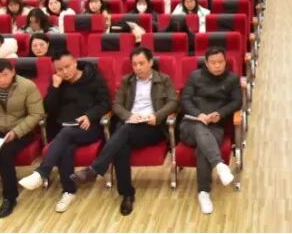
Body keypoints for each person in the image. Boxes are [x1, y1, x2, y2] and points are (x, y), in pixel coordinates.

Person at [71, 46, 179, 215]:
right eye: (134, 64)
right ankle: (127, 194)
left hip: (153, 127)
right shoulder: (126, 81)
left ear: (150, 62)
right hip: (131, 124)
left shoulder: (164, 80)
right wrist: (129, 116)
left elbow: (173, 102)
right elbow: (116, 105)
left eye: (141, 63)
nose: (138, 67)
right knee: (121, 146)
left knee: (123, 133)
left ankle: (95, 169)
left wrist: (157, 116)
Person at [19, 51, 110, 213]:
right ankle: (69, 191)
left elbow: (105, 103)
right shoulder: (58, 81)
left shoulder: (93, 77)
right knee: (66, 148)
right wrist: (55, 87)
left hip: (89, 127)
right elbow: (49, 109)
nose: (64, 72)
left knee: (66, 135)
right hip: (65, 128)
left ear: (75, 62)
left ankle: (42, 171)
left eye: (67, 66)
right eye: (60, 69)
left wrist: (90, 115)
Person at [0, 59, 46, 218]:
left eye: (5, 75)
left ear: (13, 72)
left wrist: (16, 132)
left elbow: (36, 114)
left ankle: (10, 197)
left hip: (22, 131)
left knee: (4, 154)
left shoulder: (27, 86)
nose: (2, 80)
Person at [179, 47, 242, 214]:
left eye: (221, 62)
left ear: (225, 61)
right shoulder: (195, 76)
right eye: (213, 62)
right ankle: (219, 164)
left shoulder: (232, 79)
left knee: (203, 147)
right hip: (190, 125)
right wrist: (198, 114)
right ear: (206, 63)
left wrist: (220, 114)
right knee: (200, 127)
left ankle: (204, 193)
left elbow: (237, 102)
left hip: (215, 127)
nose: (217, 66)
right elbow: (185, 99)